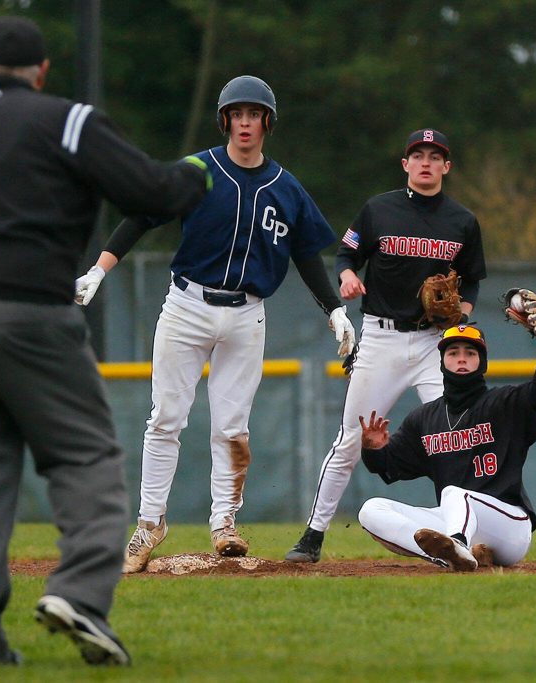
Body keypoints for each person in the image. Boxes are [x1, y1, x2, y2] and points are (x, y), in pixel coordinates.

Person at [0, 16, 210, 668]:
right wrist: (197, 176)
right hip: (29, 310)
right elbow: (150, 191)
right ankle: (81, 591)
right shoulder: (68, 121)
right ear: (41, 72)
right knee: (84, 458)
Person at [73, 75, 355, 574]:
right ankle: (148, 523)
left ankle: (224, 524)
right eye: (237, 114)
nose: (245, 123)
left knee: (232, 427)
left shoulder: (286, 188)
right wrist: (99, 269)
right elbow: (141, 216)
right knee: (165, 418)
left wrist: (333, 309)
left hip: (247, 314)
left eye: (254, 115)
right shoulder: (198, 170)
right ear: (224, 120)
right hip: (187, 306)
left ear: (267, 122)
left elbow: (308, 255)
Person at [286, 128, 487, 563]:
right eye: (418, 155)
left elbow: (471, 277)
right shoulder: (379, 209)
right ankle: (314, 535)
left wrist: (463, 313)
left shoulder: (462, 221)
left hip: (436, 344)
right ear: (405, 164)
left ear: (446, 167)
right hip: (381, 339)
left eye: (435, 156)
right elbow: (345, 254)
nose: (426, 162)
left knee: (457, 437)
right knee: (350, 440)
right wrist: (346, 276)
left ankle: (459, 537)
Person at [355, 323, 536, 570]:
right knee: (371, 509)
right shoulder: (424, 419)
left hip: (509, 526)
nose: (461, 359)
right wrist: (373, 449)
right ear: (442, 362)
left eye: (470, 353)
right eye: (453, 353)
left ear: (482, 362)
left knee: (454, 493)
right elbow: (387, 465)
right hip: (457, 520)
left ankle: (457, 545)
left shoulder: (503, 403)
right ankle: (452, 556)